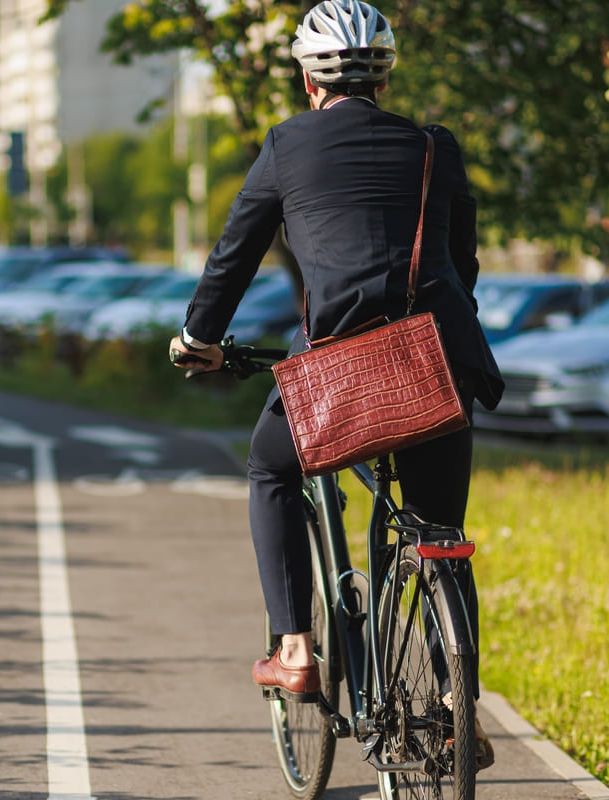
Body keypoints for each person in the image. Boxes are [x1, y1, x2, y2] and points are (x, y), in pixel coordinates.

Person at [168, 0, 503, 770]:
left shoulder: (287, 147)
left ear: (307, 75)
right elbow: (462, 263)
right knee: (438, 536)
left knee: (269, 466)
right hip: (436, 370)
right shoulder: (433, 147)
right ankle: (458, 702)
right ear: (384, 74)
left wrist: (201, 339)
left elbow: (234, 255)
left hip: (340, 379)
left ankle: (294, 650)